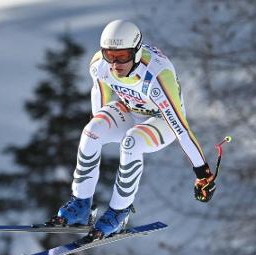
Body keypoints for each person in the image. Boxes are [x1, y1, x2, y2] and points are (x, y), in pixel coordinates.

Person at [47, 19, 216, 240]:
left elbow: (181, 128)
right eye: (110, 55)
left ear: (136, 51)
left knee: (131, 142)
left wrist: (202, 174)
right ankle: (81, 204)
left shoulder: (157, 75)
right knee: (91, 131)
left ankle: (119, 212)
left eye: (123, 56)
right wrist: (97, 134)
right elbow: (100, 104)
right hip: (130, 110)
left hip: (162, 121)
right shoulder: (100, 65)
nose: (116, 64)